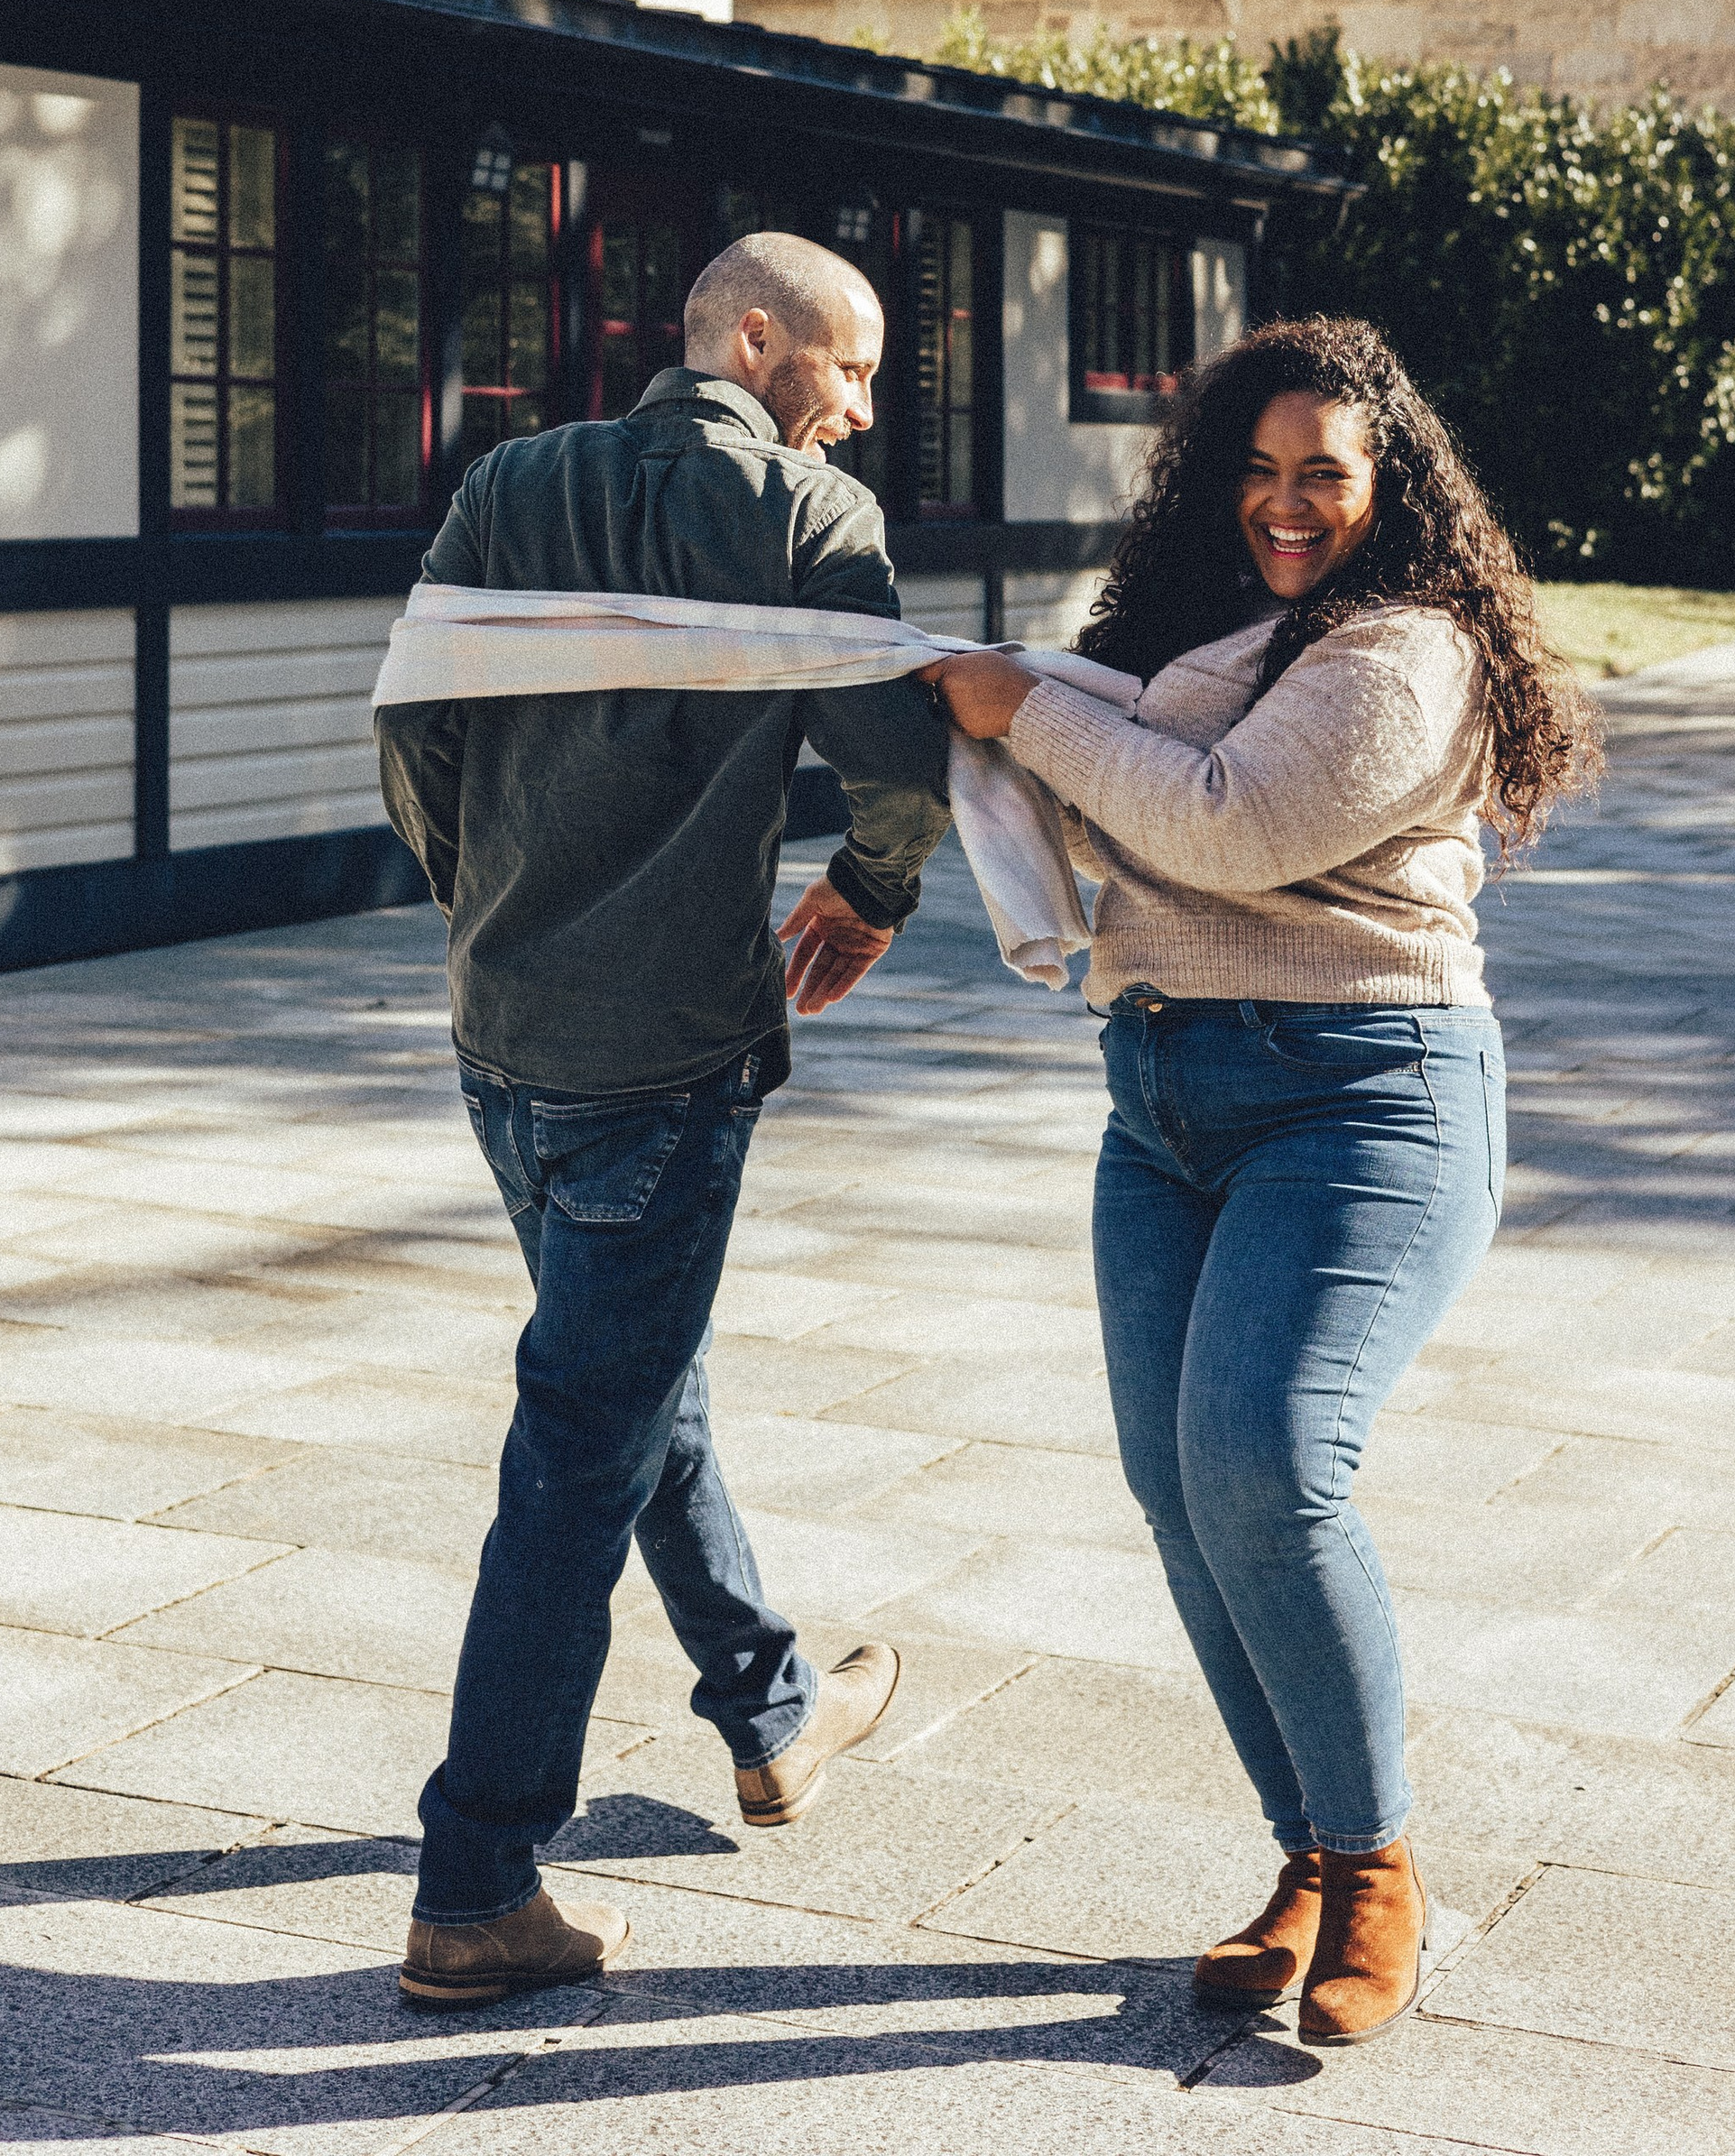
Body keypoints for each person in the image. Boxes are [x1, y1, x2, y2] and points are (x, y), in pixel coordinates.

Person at [921, 316, 1592, 2047]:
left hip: (1363, 1096)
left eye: (1329, 476)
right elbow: (1109, 793)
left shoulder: (1411, 648)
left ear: (1391, 491)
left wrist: (1027, 714)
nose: (1290, 505)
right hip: (1160, 1099)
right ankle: (1306, 1847)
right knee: (1177, 1482)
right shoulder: (1201, 630)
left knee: (1268, 1463)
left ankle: (1378, 1870)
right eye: (1264, 470)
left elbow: (1220, 821)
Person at [377, 231, 953, 2011]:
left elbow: (414, 732)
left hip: (503, 1031)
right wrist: (867, 892)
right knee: (578, 1447)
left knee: (628, 1378)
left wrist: (484, 904)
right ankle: (476, 1882)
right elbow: (900, 770)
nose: (854, 415)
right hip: (662, 1057)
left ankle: (769, 1712)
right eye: (844, 372)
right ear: (756, 343)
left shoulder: (507, 481)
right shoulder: (804, 524)